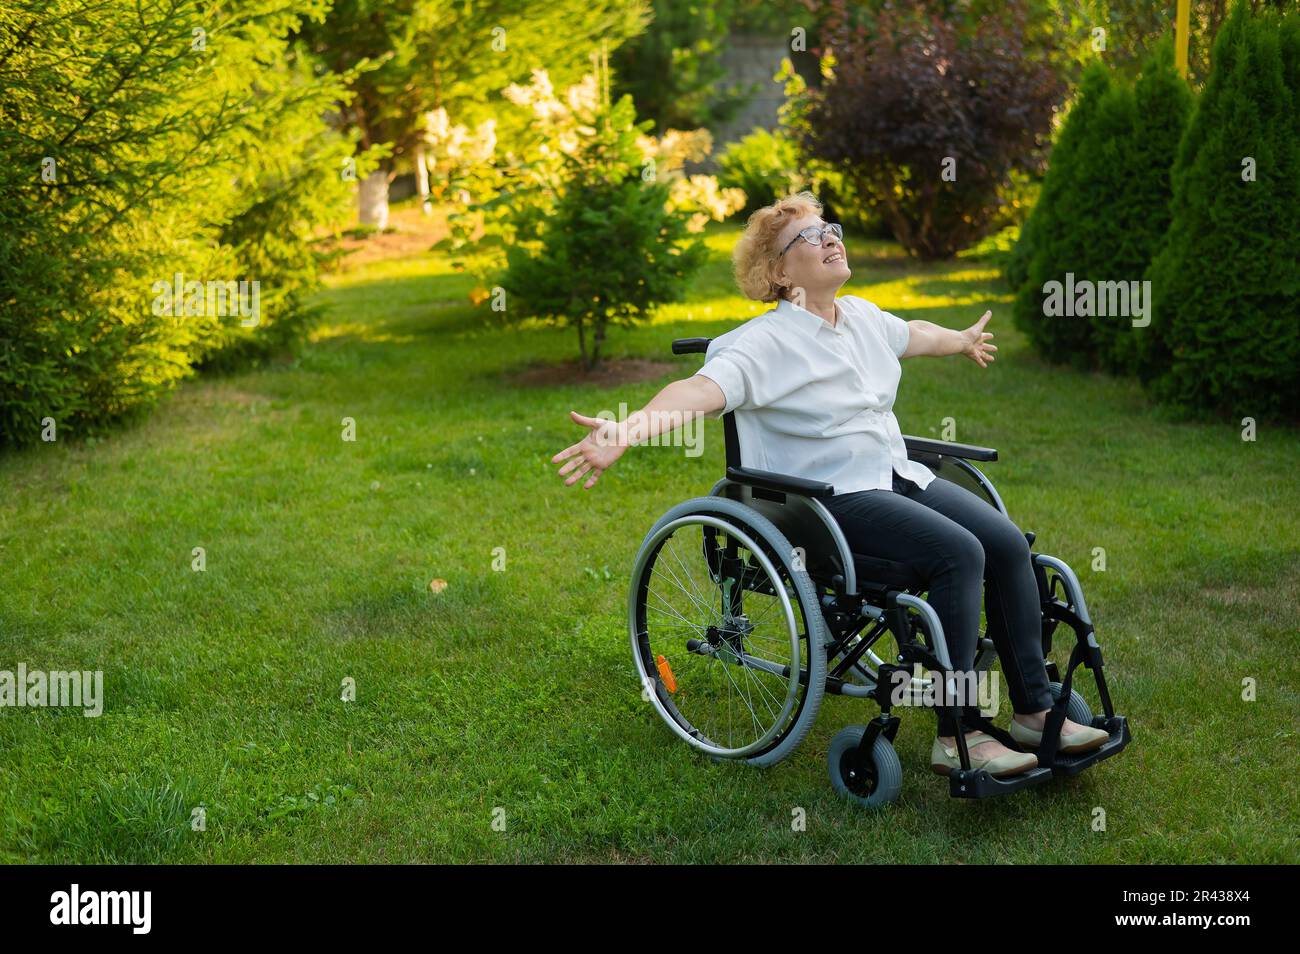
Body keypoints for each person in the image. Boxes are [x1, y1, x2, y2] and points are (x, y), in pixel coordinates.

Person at [550, 191, 1107, 777]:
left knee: (1007, 544)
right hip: (825, 502)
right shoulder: (762, 344)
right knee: (958, 554)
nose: (830, 238)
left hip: (894, 475)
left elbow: (911, 333)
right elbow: (695, 392)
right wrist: (628, 431)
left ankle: (1035, 713)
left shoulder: (862, 318)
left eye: (830, 229)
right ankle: (958, 733)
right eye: (810, 237)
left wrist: (960, 340)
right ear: (779, 272)